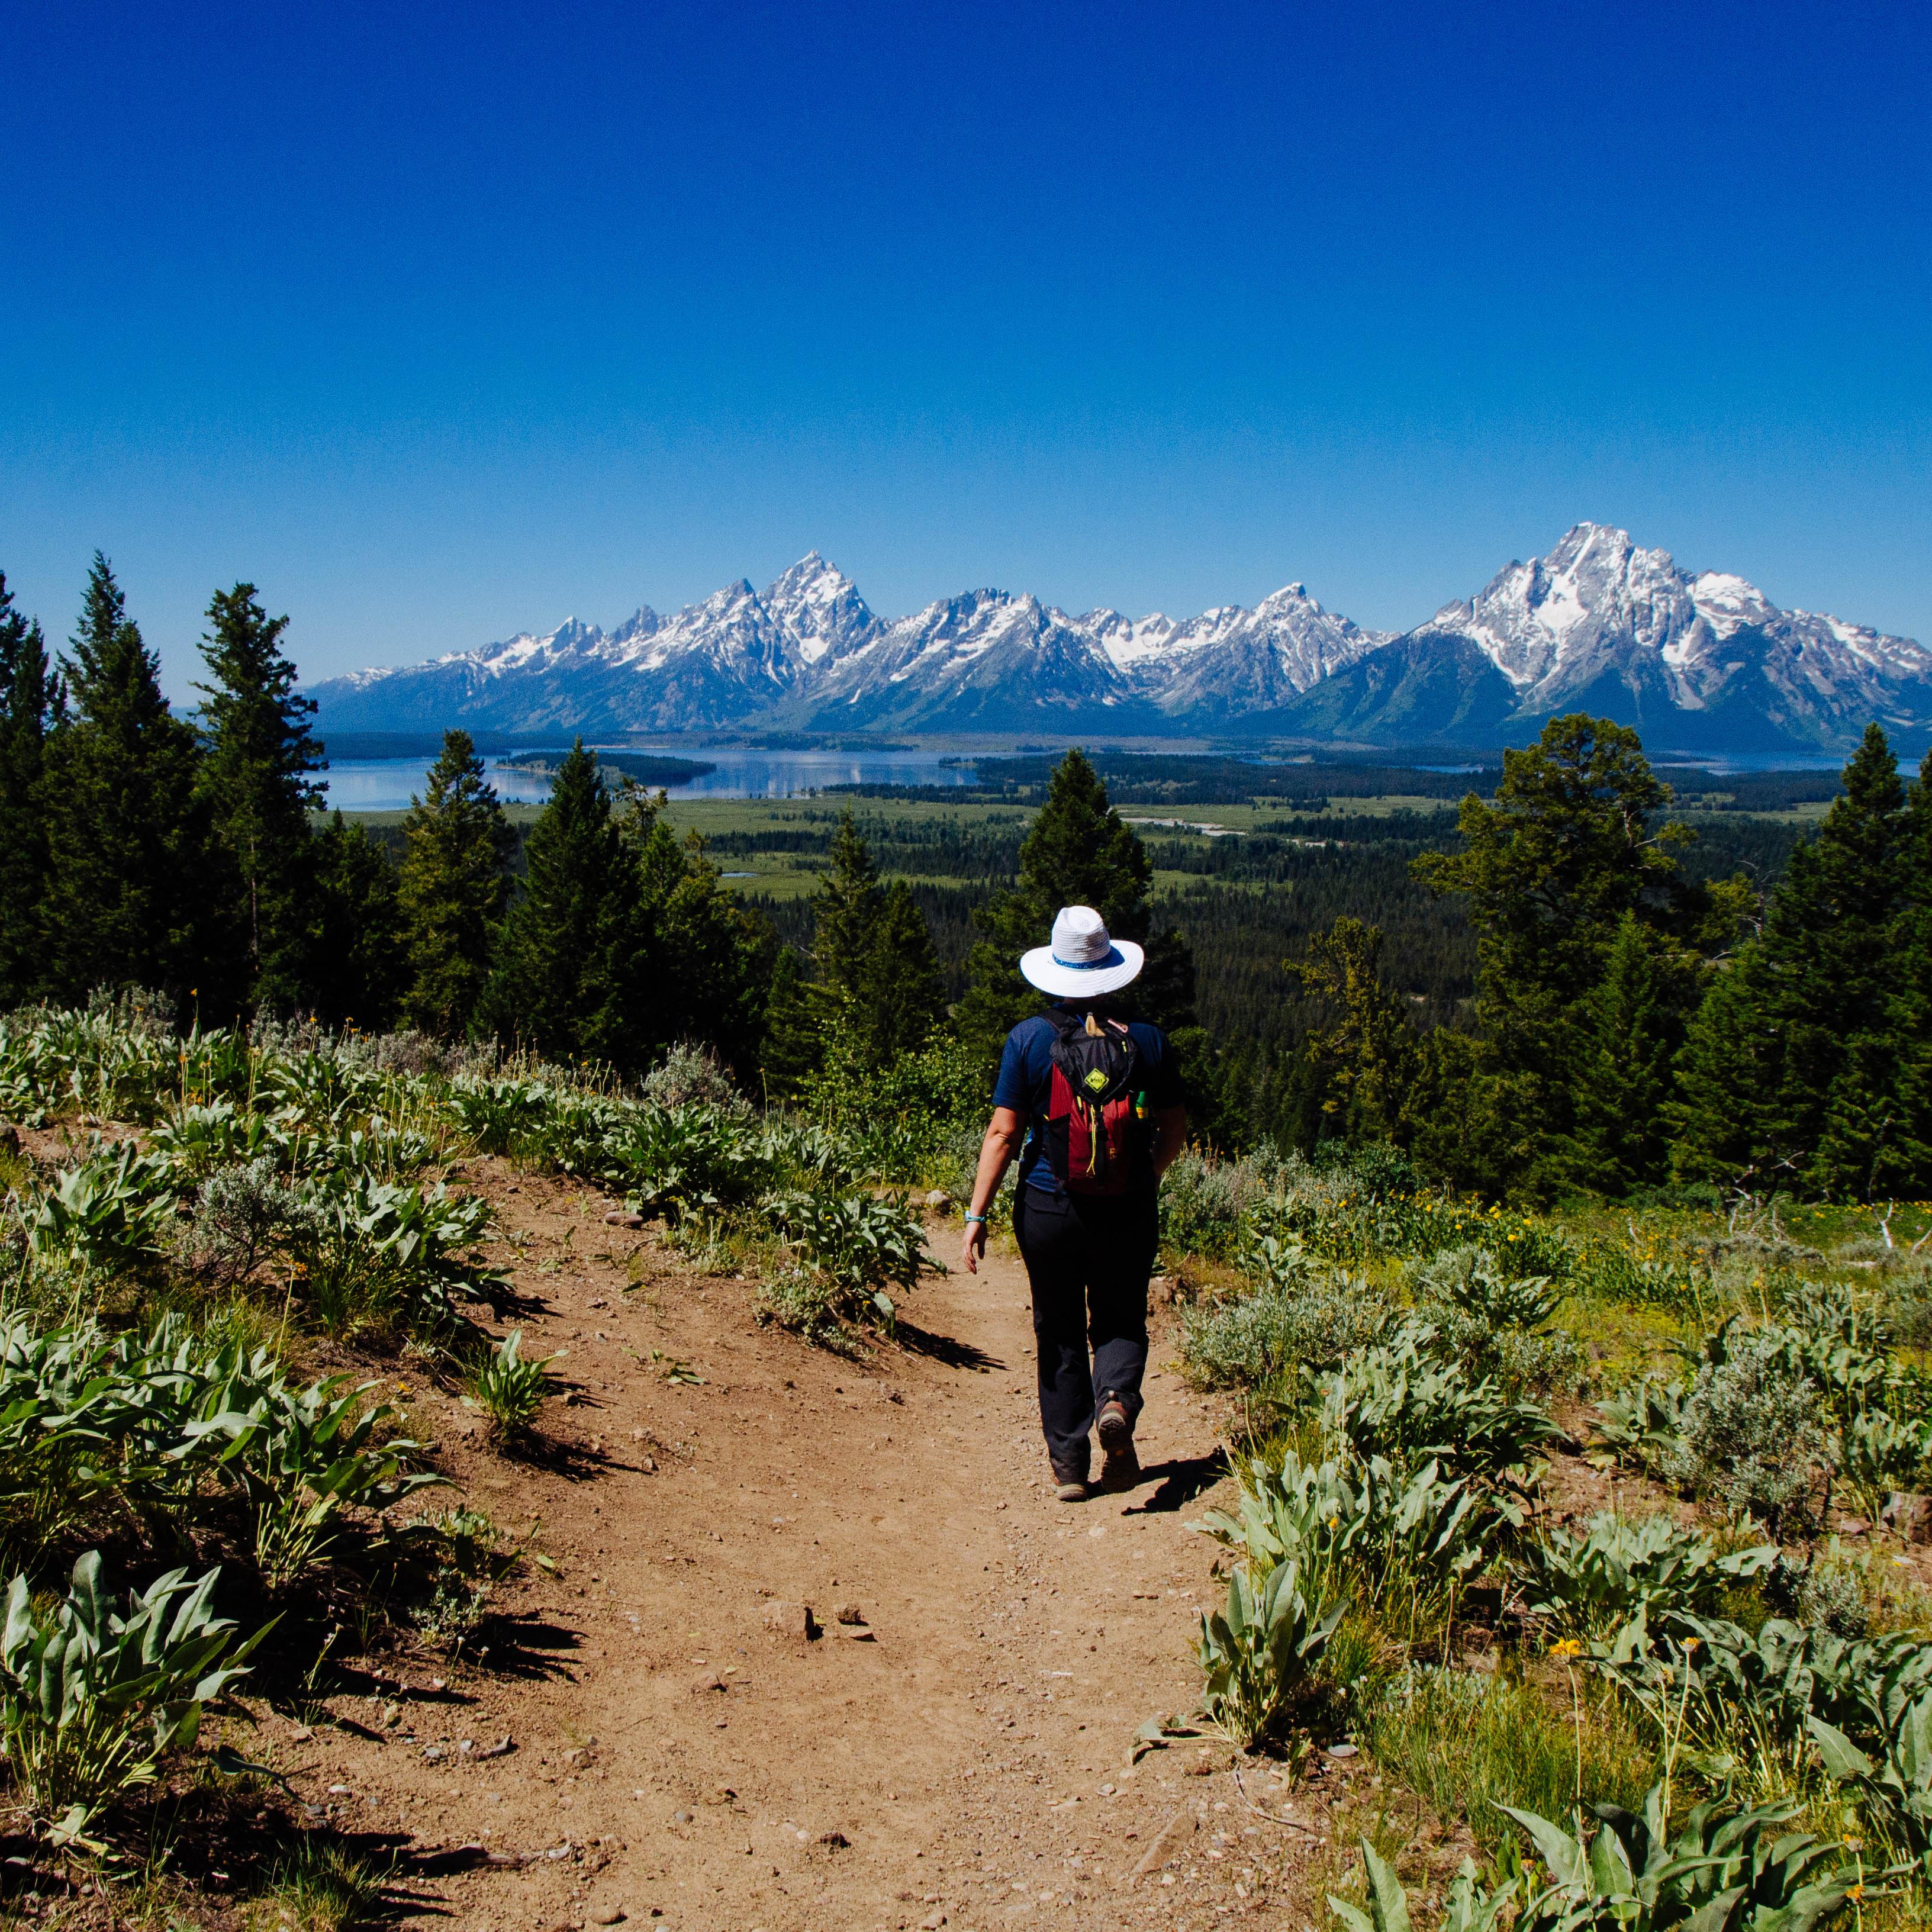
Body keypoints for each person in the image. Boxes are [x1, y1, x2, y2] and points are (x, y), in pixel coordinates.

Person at [959, 905, 1187, 1500]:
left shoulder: (1030, 1039)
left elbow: (1004, 1133)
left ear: (1055, 971)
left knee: (1057, 1329)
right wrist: (1148, 1175)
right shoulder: (1149, 1041)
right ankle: (1114, 1399)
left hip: (1047, 1208)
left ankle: (1069, 1467)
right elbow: (1175, 1127)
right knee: (1119, 1318)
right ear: (1112, 967)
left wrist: (976, 1214)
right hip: (1127, 1208)